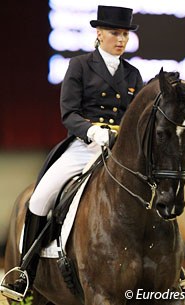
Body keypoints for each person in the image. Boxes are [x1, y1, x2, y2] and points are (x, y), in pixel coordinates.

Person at [1, 5, 143, 299]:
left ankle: (174, 273)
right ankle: (24, 271)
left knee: (154, 197)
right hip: (84, 146)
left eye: (125, 34)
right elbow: (69, 113)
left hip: (120, 153)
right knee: (39, 199)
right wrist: (93, 131)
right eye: (115, 33)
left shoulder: (133, 74)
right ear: (99, 33)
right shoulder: (79, 65)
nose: (121, 39)